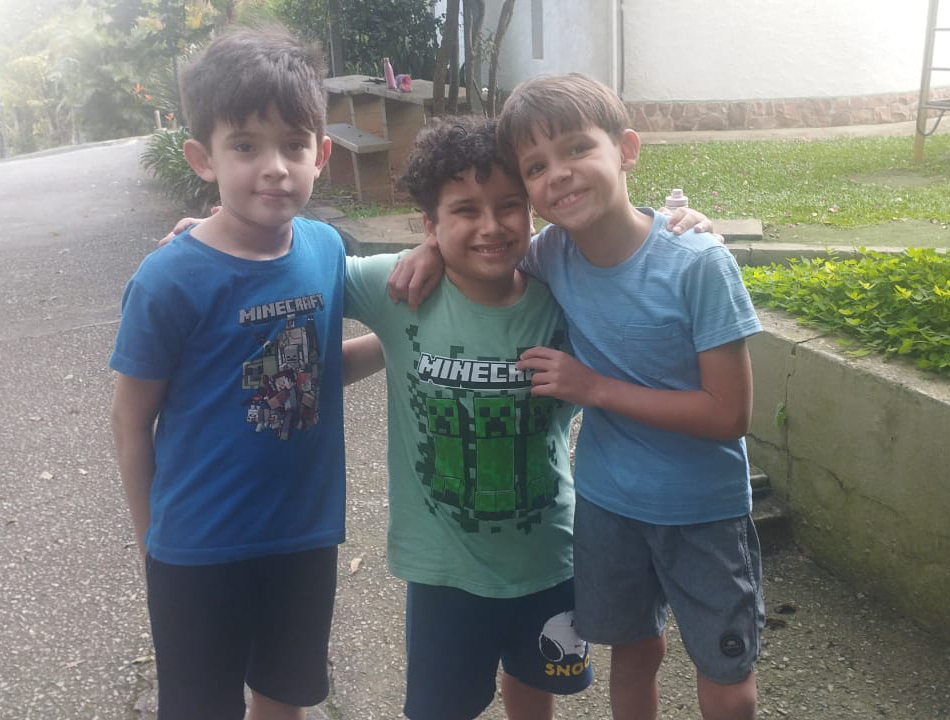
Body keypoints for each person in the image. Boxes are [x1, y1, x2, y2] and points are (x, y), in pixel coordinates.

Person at [389, 73, 764, 720]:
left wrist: (595, 388)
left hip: (703, 510)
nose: (558, 173)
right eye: (536, 166)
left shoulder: (699, 263)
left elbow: (729, 414)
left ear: (627, 149)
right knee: (634, 653)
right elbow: (484, 243)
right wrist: (429, 247)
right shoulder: (552, 255)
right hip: (606, 507)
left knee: (726, 679)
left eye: (577, 149)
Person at [110, 26, 362, 720]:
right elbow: (130, 422)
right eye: (245, 146)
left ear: (322, 155)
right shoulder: (169, 280)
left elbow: (313, 370)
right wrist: (151, 542)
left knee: (285, 699)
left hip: (303, 538)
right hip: (196, 550)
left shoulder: (325, 249)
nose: (275, 167)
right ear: (203, 158)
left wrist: (406, 342)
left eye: (294, 144)